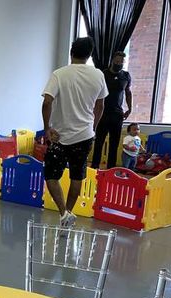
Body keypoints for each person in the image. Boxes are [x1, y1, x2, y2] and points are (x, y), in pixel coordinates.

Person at [42, 37, 108, 227]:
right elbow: (100, 105)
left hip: (60, 136)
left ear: (71, 51)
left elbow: (47, 101)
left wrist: (47, 128)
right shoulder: (98, 75)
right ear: (89, 55)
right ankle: (68, 213)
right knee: (77, 176)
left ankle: (63, 212)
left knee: (51, 176)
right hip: (85, 135)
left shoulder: (59, 74)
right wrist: (93, 128)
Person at [91, 51, 132, 170]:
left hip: (117, 115)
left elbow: (128, 93)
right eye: (117, 61)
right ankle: (94, 168)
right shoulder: (103, 74)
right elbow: (95, 93)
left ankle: (111, 170)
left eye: (121, 62)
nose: (119, 63)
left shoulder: (126, 76)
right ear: (113, 60)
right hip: (102, 113)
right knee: (99, 143)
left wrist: (130, 108)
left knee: (114, 145)